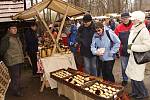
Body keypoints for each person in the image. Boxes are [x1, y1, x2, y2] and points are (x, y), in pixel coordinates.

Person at [126, 11, 150, 99]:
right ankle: (135, 92)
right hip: (133, 56)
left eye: (134, 20)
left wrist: (132, 47)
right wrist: (130, 48)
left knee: (137, 77)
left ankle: (144, 93)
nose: (132, 21)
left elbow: (147, 46)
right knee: (133, 76)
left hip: (139, 57)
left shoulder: (144, 31)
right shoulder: (134, 28)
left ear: (139, 20)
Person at [0, 23, 24, 96]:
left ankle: (17, 87)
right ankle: (15, 91)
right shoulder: (6, 38)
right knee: (15, 76)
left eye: (15, 28)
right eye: (13, 28)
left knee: (18, 75)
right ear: (9, 30)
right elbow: (2, 50)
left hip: (18, 60)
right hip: (12, 61)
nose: (15, 30)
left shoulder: (16, 37)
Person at [114, 12, 133, 86]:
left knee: (133, 67)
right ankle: (125, 79)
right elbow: (115, 39)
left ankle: (133, 80)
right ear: (121, 19)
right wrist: (119, 47)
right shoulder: (118, 27)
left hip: (133, 51)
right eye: (123, 18)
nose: (125, 19)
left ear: (129, 17)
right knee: (124, 67)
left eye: (126, 18)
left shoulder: (134, 25)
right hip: (123, 51)